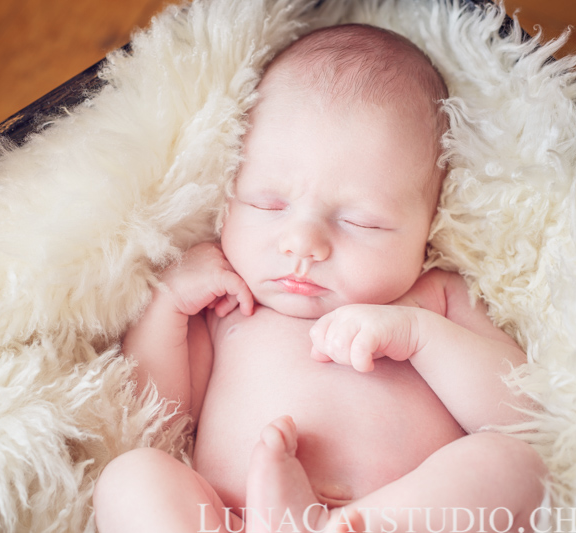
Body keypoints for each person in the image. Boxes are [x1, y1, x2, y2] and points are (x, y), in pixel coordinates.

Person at [93, 24, 548, 533]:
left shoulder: (435, 299)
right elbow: (155, 417)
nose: (303, 242)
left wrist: (420, 337)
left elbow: (522, 410)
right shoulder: (227, 305)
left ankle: (355, 525)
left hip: (402, 519)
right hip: (237, 520)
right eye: (268, 204)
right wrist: (166, 304)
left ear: (430, 222)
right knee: (132, 476)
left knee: (515, 467)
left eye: (361, 222)